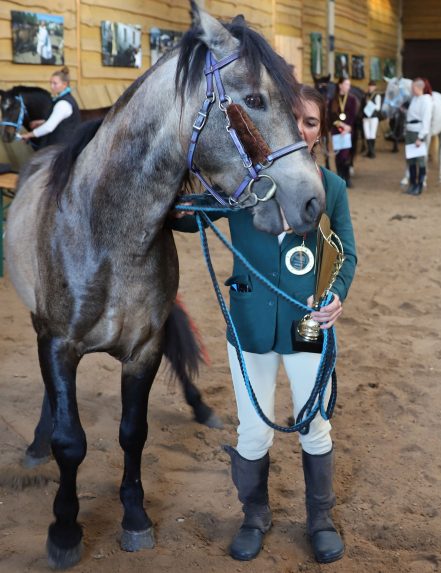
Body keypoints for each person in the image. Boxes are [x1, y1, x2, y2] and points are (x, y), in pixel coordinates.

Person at [170, 85, 357, 564]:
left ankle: (320, 518)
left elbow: (346, 254)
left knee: (313, 421)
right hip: (250, 324)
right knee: (253, 431)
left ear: (320, 132)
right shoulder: (240, 183)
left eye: (310, 122)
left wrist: (334, 296)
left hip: (307, 324)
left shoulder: (331, 188)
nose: (299, 129)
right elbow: (191, 217)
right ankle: (255, 515)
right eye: (291, 119)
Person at [20, 67, 81, 148]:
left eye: (55, 83)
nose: (52, 86)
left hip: (61, 148)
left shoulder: (63, 103)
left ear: (65, 84)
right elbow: (60, 120)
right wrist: (42, 122)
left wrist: (29, 135)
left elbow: (49, 127)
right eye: (51, 83)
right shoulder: (63, 99)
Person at [403, 77, 432, 196]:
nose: (411, 89)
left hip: (417, 132)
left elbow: (426, 120)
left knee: (420, 160)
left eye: (413, 87)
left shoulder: (426, 100)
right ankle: (412, 184)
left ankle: (419, 185)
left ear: (418, 87)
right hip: (410, 131)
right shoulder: (414, 99)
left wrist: (420, 137)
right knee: (411, 160)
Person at [329, 75, 358, 186]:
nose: (348, 87)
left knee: (345, 155)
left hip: (347, 131)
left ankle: (347, 178)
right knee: (338, 155)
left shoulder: (351, 99)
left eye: (349, 85)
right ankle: (339, 177)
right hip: (337, 131)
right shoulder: (333, 100)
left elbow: (353, 115)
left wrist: (348, 127)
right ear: (340, 85)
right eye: (346, 84)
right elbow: (331, 116)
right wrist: (340, 124)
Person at [362, 79, 383, 158]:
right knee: (367, 135)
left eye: (372, 86)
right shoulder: (366, 95)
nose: (371, 87)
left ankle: (372, 151)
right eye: (370, 86)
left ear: (375, 87)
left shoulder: (377, 96)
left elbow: (378, 108)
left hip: (373, 117)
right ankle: (369, 151)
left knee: (372, 134)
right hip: (366, 117)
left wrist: (370, 104)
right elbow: (362, 106)